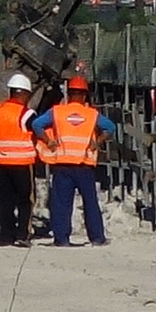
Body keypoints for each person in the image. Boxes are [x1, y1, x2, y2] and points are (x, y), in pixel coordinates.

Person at [41, 73, 106, 247]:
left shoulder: (56, 112)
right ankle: (97, 238)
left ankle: (61, 239)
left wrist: (48, 141)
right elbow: (110, 127)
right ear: (85, 94)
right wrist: (97, 142)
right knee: (90, 202)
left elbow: (36, 124)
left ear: (68, 94)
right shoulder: (92, 114)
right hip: (84, 165)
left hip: (62, 165)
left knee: (61, 203)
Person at [0, 70, 41, 244]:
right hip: (23, 163)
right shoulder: (27, 114)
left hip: (2, 162)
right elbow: (36, 135)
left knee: (6, 199)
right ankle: (22, 234)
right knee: (25, 200)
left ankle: (6, 234)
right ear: (26, 93)